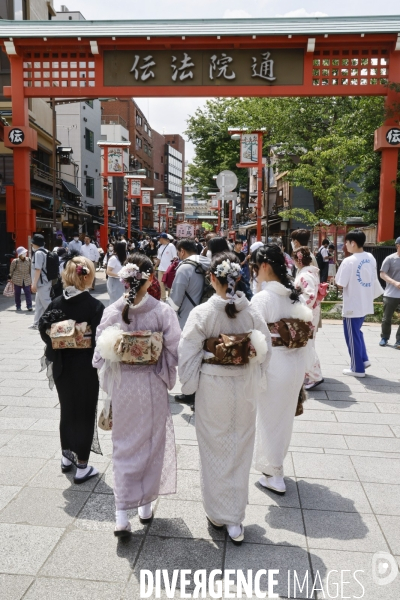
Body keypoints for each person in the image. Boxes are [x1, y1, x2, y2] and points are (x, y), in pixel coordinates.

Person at [178, 253, 271, 545]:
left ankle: (219, 514)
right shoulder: (251, 312)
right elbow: (265, 348)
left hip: (214, 386)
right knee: (241, 445)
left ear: (212, 278)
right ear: (238, 277)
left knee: (213, 446)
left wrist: (189, 384)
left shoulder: (204, 313)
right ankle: (235, 518)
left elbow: (188, 350)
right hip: (243, 384)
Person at [93, 254, 181, 536]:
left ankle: (121, 515)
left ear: (124, 281)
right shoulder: (161, 311)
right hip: (151, 385)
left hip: (123, 388)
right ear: (150, 279)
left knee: (123, 446)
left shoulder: (113, 311)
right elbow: (175, 351)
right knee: (151, 444)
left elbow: (98, 356)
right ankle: (144, 505)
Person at [251, 244, 312, 494]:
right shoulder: (292, 294)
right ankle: (275, 467)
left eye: (255, 267)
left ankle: (274, 472)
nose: (255, 273)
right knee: (282, 419)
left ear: (264, 266)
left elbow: (254, 338)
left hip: (274, 365)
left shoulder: (263, 298)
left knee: (268, 419)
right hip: (294, 363)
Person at [38, 255, 104, 484]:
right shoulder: (95, 306)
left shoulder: (57, 303)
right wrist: (80, 335)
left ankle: (67, 457)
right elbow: (99, 340)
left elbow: (43, 327)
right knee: (84, 413)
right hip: (85, 366)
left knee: (67, 410)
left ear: (68, 274)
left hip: (62, 365)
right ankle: (83, 466)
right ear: (88, 276)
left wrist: (60, 337)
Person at [167, 238, 211, 407]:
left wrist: (169, 313)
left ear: (182, 251)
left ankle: (191, 394)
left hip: (187, 317)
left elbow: (176, 298)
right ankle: (198, 393)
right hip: (205, 313)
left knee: (189, 357)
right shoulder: (206, 264)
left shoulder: (185, 267)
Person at [335, 230, 382, 377]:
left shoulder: (349, 261)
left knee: (351, 335)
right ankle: (363, 359)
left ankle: (357, 368)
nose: (346, 246)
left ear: (353, 243)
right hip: (365, 302)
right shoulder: (370, 257)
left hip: (352, 304)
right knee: (357, 332)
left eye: (347, 243)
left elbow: (340, 283)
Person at [293, 246, 324, 390]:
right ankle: (310, 374)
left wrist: (297, 304)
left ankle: (315, 375)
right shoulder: (310, 273)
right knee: (308, 344)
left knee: (307, 345)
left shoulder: (305, 275)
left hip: (307, 313)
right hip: (311, 311)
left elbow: (310, 295)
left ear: (298, 261)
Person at [379, 237, 400, 349]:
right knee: (387, 318)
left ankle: (399, 340)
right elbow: (382, 274)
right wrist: (394, 283)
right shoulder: (390, 259)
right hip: (391, 293)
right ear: (398, 246)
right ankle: (385, 337)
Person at [29, 234, 53, 330]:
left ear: (35, 244)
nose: (31, 244)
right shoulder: (46, 251)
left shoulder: (38, 253)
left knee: (46, 303)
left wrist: (34, 284)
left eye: (32, 243)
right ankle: (36, 323)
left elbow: (38, 269)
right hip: (45, 281)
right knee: (39, 304)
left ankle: (54, 320)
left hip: (42, 282)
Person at [9, 246, 33, 312]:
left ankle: (29, 305)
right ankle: (18, 306)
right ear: (20, 254)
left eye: (25, 253)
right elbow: (11, 270)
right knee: (17, 293)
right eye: (24, 253)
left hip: (27, 279)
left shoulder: (29, 260)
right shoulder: (15, 261)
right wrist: (10, 277)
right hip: (17, 279)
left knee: (28, 292)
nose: (25, 254)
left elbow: (31, 270)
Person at [155, 233, 178, 301]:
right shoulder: (160, 247)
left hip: (169, 270)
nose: (159, 240)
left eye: (159, 239)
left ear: (162, 238)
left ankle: (170, 299)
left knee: (169, 285)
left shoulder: (171, 246)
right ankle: (163, 298)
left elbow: (175, 258)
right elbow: (159, 259)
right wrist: (155, 266)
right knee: (160, 284)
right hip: (161, 269)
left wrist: (173, 268)